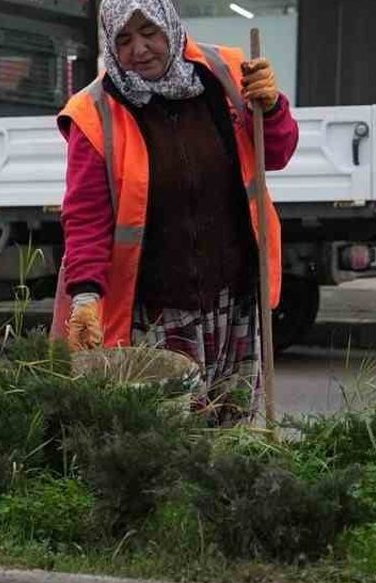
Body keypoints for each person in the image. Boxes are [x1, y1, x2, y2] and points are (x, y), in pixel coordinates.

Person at [52, 0, 298, 422]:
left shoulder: (225, 75)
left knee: (233, 425)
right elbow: (86, 217)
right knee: (171, 433)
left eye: (149, 32)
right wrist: (86, 296)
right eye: (124, 39)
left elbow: (275, 153)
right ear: (109, 42)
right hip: (159, 307)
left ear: (170, 24)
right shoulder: (93, 113)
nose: (140, 49)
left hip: (233, 293)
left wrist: (272, 107)